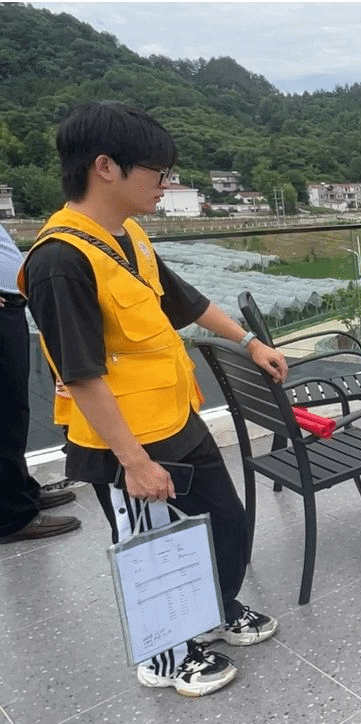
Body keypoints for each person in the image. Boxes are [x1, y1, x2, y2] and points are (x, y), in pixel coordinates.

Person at [19, 101, 286, 697]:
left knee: (226, 523)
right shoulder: (60, 261)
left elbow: (184, 300)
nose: (166, 185)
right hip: (127, 441)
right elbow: (82, 375)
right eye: (158, 173)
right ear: (105, 167)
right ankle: (165, 658)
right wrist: (134, 462)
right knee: (153, 552)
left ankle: (212, 611)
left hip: (174, 416)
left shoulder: (128, 235)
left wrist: (248, 342)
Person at [0, 222, 81, 544]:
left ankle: (21, 493)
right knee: (5, 413)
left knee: (14, 409)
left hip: (10, 305)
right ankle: (12, 516)